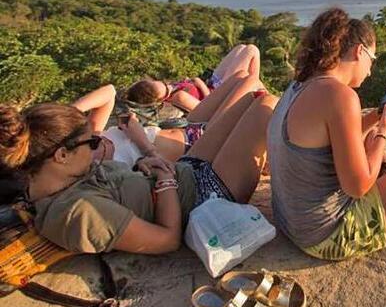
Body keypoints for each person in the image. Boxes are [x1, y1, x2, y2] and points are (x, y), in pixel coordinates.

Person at [267, 8, 386, 261]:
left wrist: (375, 119)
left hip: (291, 222)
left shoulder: (299, 85)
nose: (370, 70)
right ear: (359, 51)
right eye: (372, 59)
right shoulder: (340, 95)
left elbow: (328, 141)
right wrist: (383, 135)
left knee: (369, 145)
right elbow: (357, 187)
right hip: (328, 235)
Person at [0, 88, 277, 254]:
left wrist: (142, 165)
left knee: (256, 97)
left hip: (187, 171)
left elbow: (123, 191)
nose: (98, 145)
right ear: (61, 155)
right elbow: (167, 240)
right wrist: (165, 181)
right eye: (92, 142)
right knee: (267, 105)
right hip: (207, 197)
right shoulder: (79, 212)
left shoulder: (62, 180)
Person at [74, 72, 266, 167]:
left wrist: (66, 112)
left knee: (242, 76)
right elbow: (153, 161)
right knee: (253, 87)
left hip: (189, 127)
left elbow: (109, 92)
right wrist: (138, 136)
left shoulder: (90, 138)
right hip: (198, 146)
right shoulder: (92, 169)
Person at [125, 44, 261, 112]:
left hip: (214, 84)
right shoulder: (178, 97)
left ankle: (253, 86)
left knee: (240, 48)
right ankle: (255, 89)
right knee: (251, 50)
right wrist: (199, 83)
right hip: (220, 93)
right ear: (158, 98)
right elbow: (208, 109)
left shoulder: (172, 90)